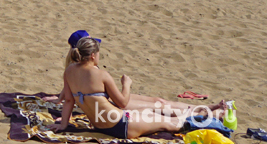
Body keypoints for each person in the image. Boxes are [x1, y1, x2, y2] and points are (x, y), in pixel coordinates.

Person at [53, 34, 231, 137]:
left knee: (156, 113)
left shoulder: (69, 71)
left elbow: (68, 101)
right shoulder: (101, 74)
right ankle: (214, 118)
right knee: (171, 123)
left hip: (100, 125)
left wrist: (63, 126)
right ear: (93, 56)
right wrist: (126, 84)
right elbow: (122, 102)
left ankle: (208, 112)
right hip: (121, 124)